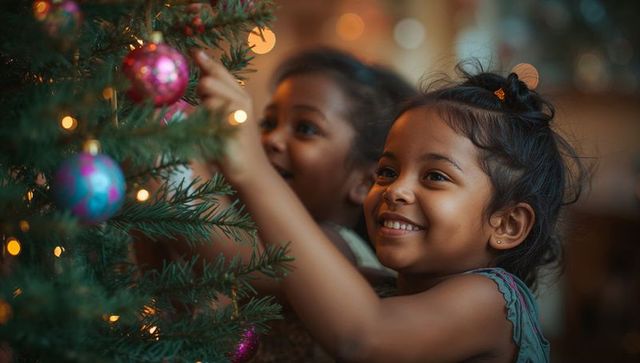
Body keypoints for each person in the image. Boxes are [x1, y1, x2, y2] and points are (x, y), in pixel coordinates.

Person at [194, 49, 587, 362]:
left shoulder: (493, 301)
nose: (395, 190)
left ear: (508, 224)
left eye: (435, 176)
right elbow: (262, 271)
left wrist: (253, 170)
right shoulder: (379, 286)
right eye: (386, 172)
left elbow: (363, 337)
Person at [135, 48, 416, 362]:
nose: (271, 139)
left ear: (365, 182)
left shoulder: (342, 250)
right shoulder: (254, 231)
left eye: (305, 128)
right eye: (268, 122)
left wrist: (173, 148)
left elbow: (231, 254)